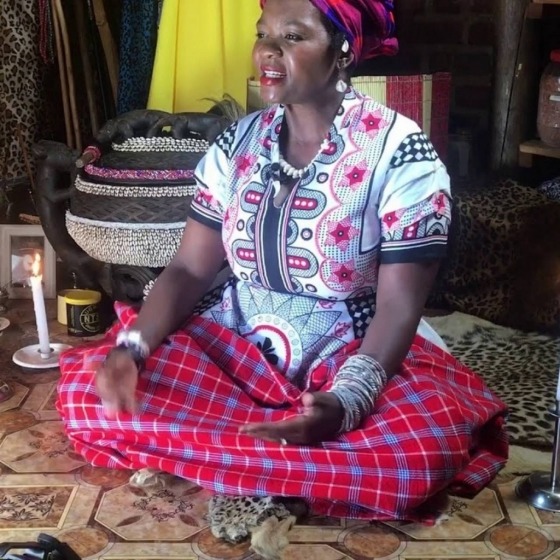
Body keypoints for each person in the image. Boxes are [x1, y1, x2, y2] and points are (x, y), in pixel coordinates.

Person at [57, 0, 508, 522]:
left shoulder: (399, 153)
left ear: (343, 51)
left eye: (293, 37)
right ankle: (280, 464)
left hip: (352, 353)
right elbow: (189, 269)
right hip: (235, 350)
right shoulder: (237, 143)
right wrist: (132, 349)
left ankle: (238, 457)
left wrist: (347, 404)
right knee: (88, 392)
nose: (268, 51)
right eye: (263, 34)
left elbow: (399, 307)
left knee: (416, 456)